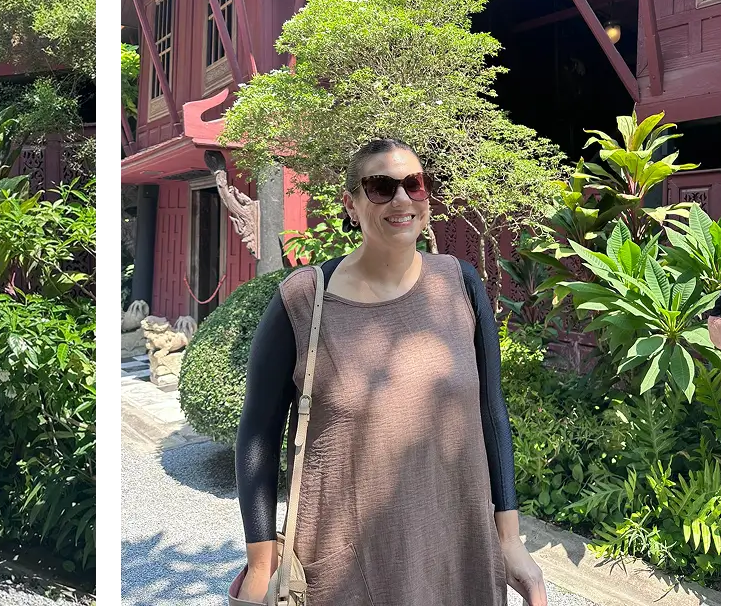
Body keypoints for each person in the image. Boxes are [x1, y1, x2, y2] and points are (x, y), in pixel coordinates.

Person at [232, 138, 548, 606]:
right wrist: (261, 565)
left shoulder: (459, 283)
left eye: (414, 185)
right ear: (352, 205)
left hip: (458, 554)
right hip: (346, 566)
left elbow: (491, 411)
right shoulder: (305, 300)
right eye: (381, 187)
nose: (402, 199)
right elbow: (258, 433)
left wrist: (510, 539)